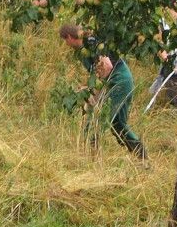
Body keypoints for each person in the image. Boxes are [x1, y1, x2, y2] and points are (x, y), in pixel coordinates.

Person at [59, 22, 146, 159]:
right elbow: (96, 72)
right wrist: (89, 87)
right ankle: (95, 156)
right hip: (110, 82)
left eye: (65, 40)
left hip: (119, 80)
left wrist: (92, 88)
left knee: (107, 122)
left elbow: (107, 66)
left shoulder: (92, 43)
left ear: (69, 37)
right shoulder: (81, 51)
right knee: (105, 120)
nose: (66, 44)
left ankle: (138, 155)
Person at [149, 5, 177, 110]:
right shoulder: (163, 21)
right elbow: (158, 41)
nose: (164, 13)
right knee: (174, 94)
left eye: (166, 10)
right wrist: (165, 57)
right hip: (173, 68)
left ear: (175, 6)